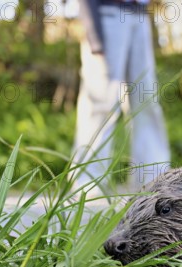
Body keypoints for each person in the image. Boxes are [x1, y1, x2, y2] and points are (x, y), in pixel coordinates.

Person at [73, 0, 170, 194]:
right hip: (106, 14)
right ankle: (87, 184)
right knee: (101, 100)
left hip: (140, 15)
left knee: (147, 101)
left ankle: (154, 180)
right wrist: (94, 36)